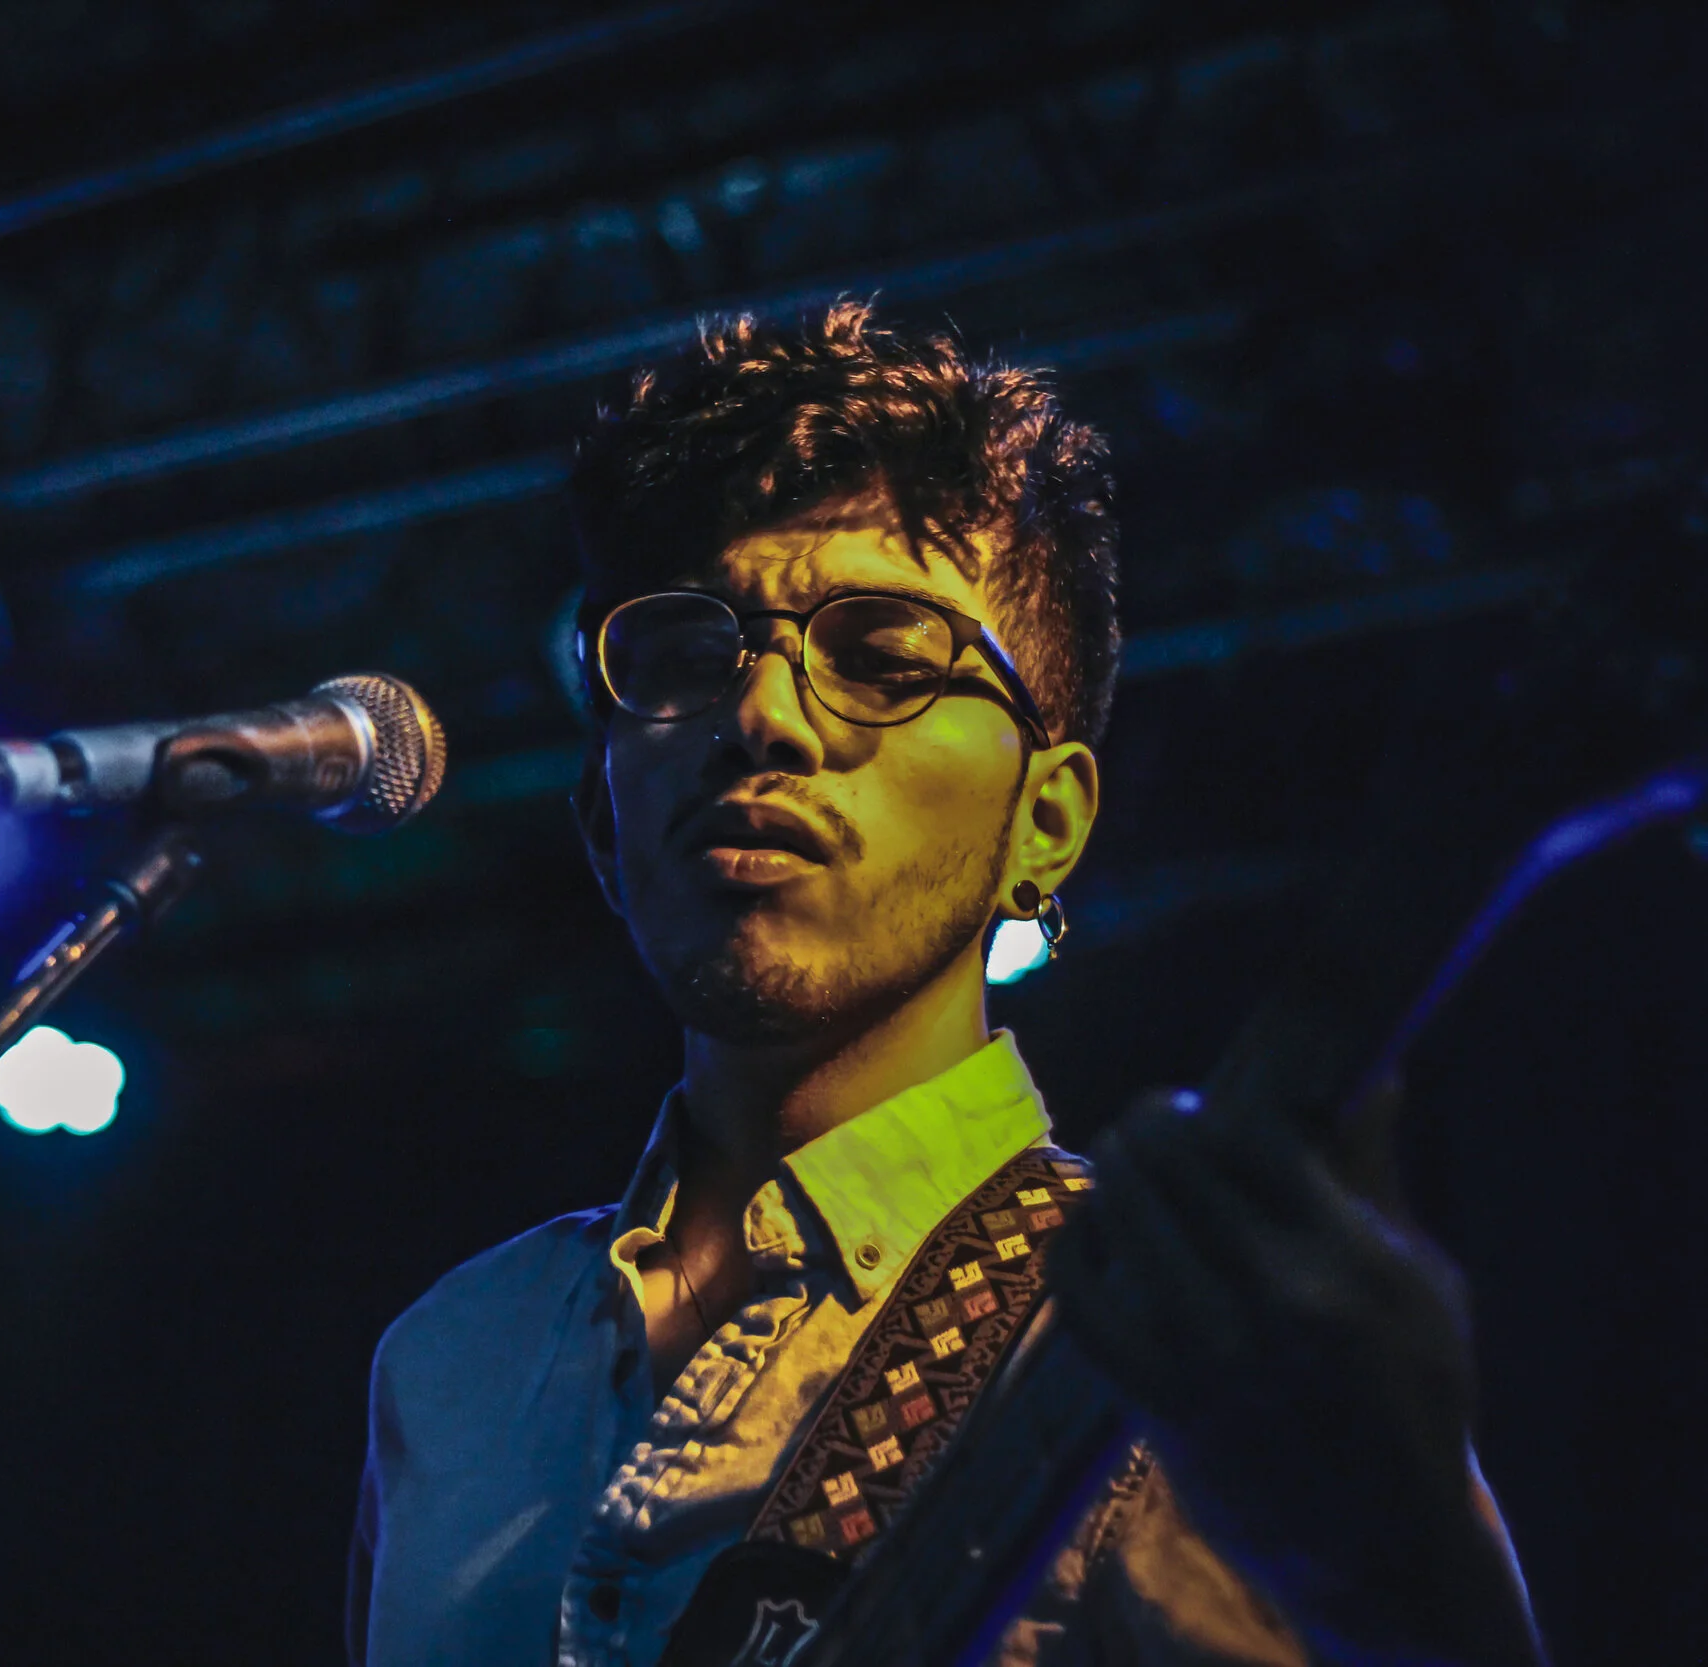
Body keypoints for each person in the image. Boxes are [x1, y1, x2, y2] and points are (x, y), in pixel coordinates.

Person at [344, 302, 1544, 1667]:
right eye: (683, 656)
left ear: (1048, 822)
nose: (760, 716)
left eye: (884, 657)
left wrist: (1417, 1575)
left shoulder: (1158, 1342)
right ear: (601, 825)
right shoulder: (446, 1364)